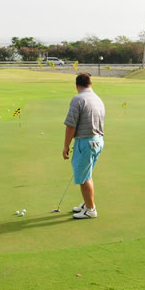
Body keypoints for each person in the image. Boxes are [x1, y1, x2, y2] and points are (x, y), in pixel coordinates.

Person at [63, 72, 105, 219]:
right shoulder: (98, 99)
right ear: (90, 84)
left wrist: (66, 146)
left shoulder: (78, 99)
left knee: (83, 177)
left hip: (85, 142)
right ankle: (87, 203)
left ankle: (91, 209)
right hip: (98, 140)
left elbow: (70, 126)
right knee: (88, 174)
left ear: (77, 85)